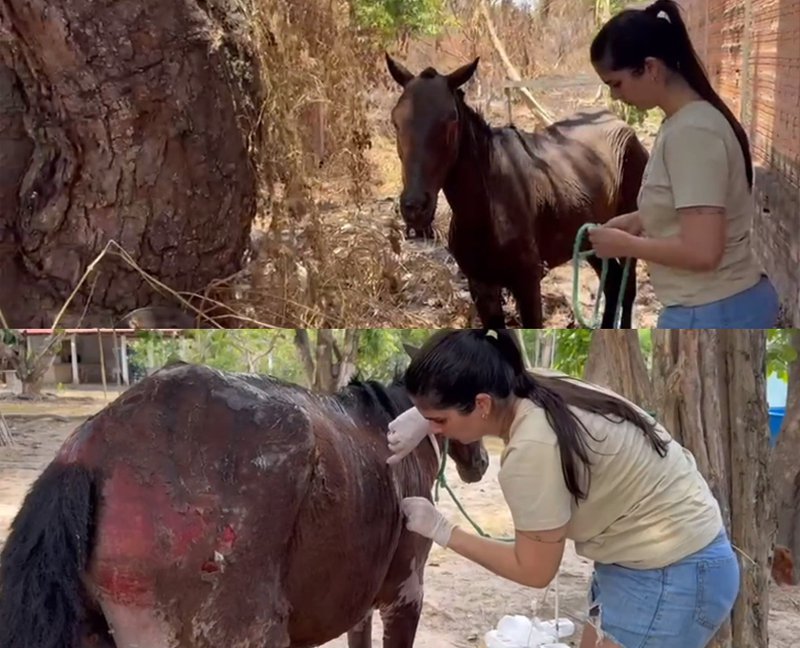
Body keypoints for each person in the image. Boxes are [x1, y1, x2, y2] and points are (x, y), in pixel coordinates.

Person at [387, 329, 740, 648]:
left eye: (440, 420)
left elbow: (534, 570)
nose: (435, 430)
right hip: (658, 560)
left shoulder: (531, 449)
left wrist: (443, 530)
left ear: (481, 404)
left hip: (672, 574)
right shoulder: (529, 383)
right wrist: (423, 412)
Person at [584, 0, 778, 329]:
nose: (616, 96)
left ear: (651, 68)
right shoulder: (684, 123)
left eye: (616, 83)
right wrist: (640, 219)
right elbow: (695, 205)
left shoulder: (693, 133)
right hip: (714, 306)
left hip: (713, 311)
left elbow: (703, 252)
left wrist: (628, 246)